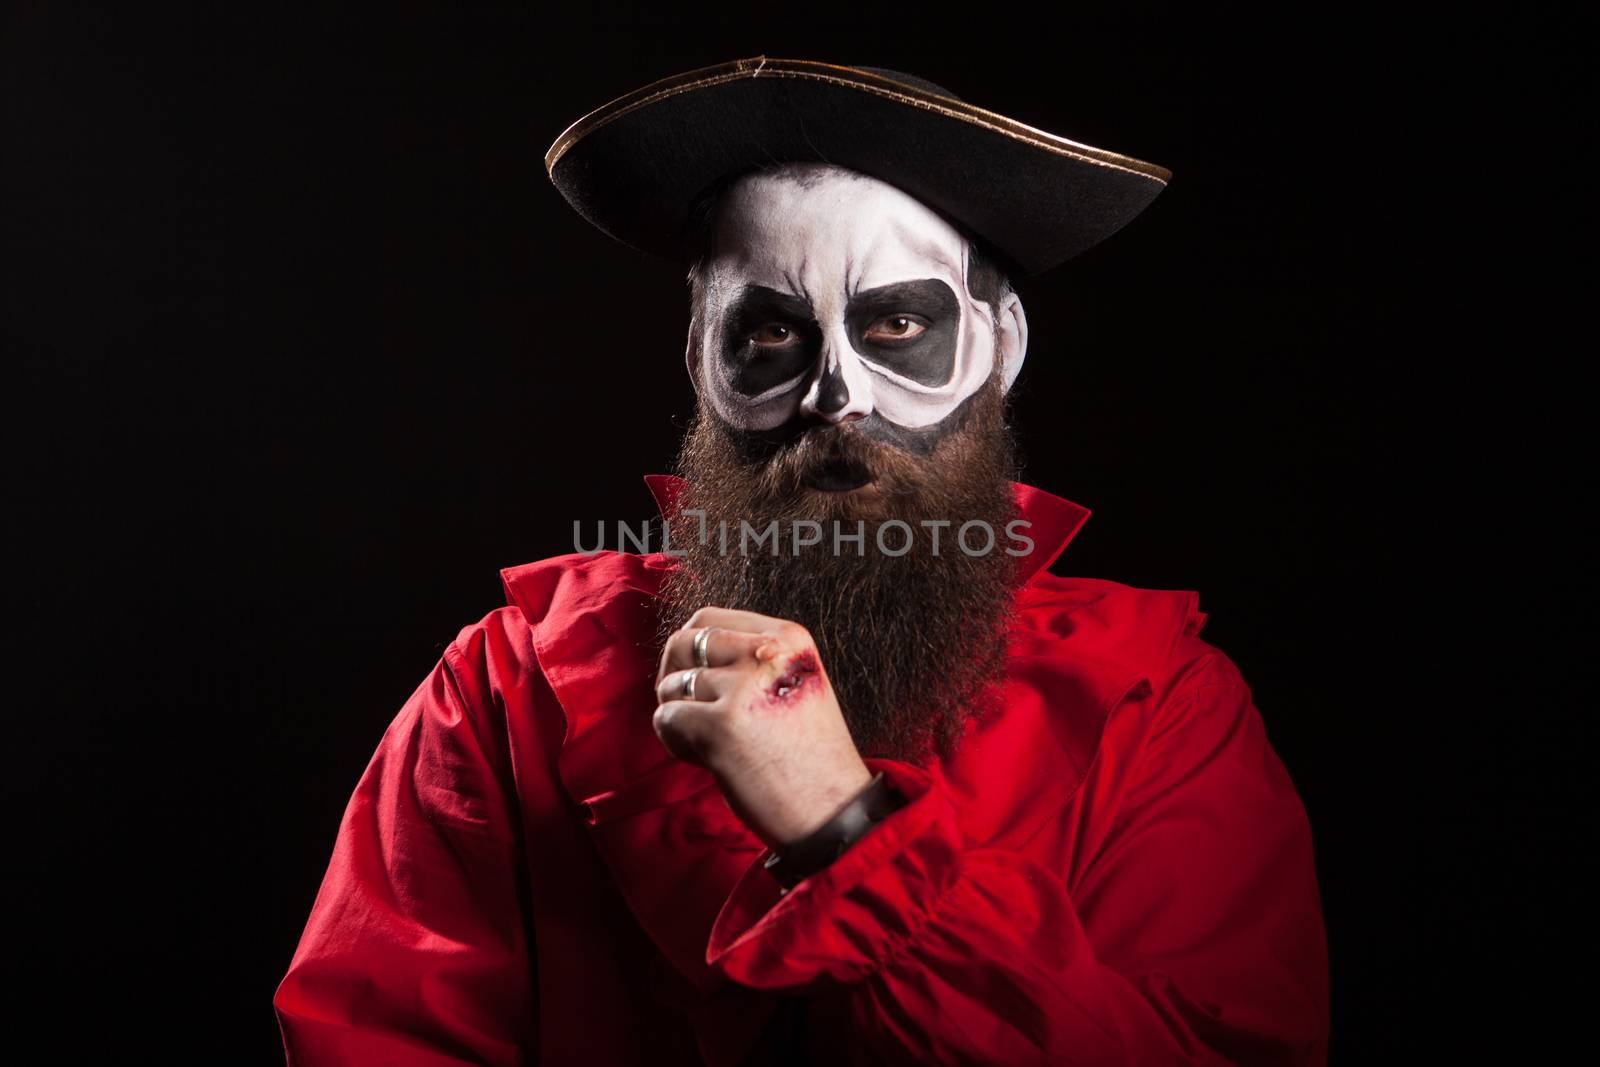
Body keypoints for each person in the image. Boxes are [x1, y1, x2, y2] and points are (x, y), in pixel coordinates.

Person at [274, 58, 1329, 1066]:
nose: (839, 395)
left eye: (897, 322)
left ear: (999, 345)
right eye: (772, 334)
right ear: (700, 357)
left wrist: (844, 824)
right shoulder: (507, 690)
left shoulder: (1156, 701)